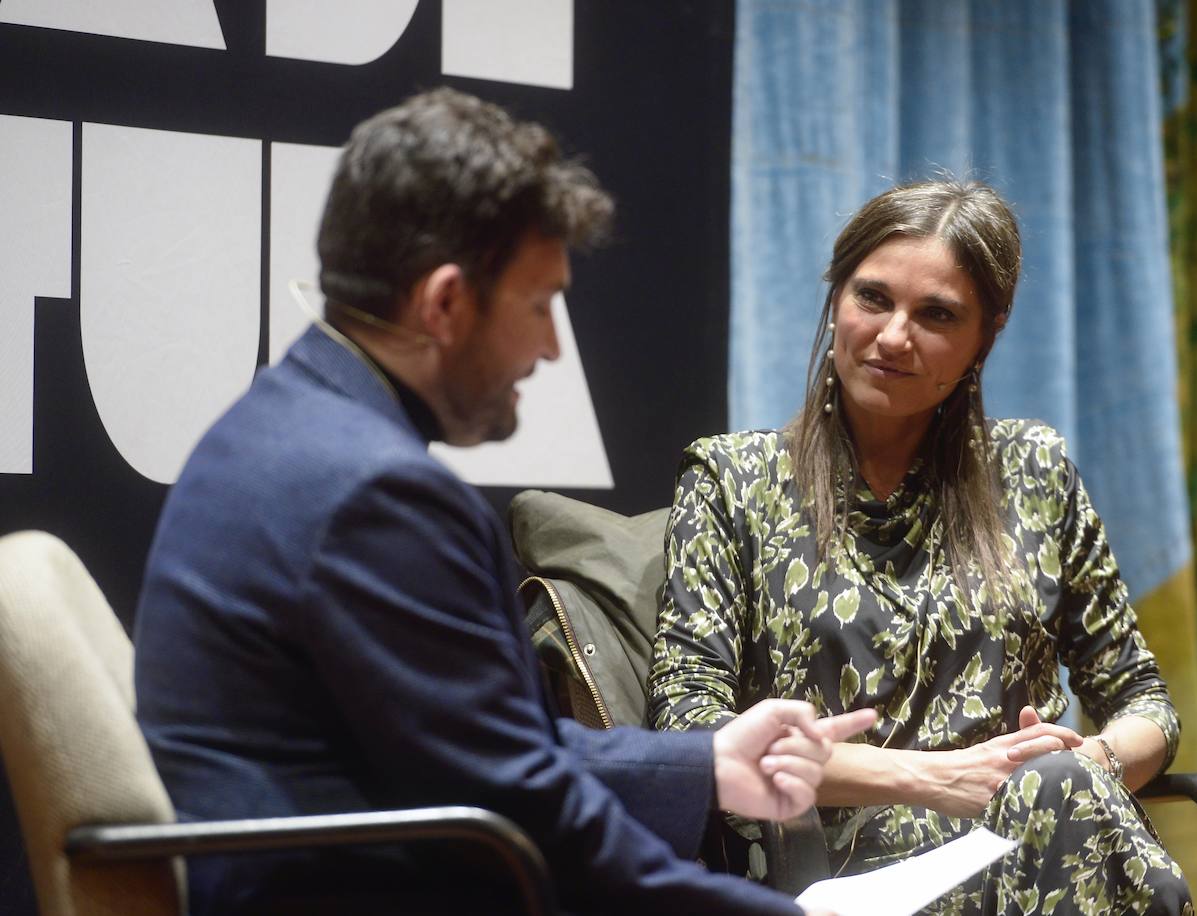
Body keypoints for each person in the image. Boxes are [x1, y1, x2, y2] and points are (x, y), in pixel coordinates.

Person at [133, 87, 872, 915]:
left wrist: (703, 765)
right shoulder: (376, 495)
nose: (552, 347)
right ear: (445, 303)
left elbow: (476, 754)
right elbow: (526, 816)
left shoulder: (279, 427)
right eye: (539, 303)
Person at [647, 180, 1194, 914]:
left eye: (936, 314)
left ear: (985, 338)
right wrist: (937, 778)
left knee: (1060, 790)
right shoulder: (730, 481)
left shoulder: (1036, 470)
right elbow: (694, 736)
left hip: (1040, 843)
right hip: (832, 874)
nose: (895, 335)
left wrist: (1084, 759)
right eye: (873, 298)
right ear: (836, 298)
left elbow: (1143, 702)